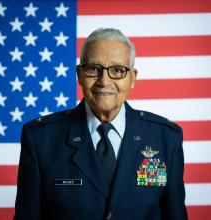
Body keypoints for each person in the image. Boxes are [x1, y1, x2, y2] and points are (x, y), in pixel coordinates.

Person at [14, 28, 188, 220]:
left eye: (118, 70)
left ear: (133, 78)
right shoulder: (40, 139)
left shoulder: (165, 138)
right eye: (93, 69)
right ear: (79, 75)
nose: (104, 81)